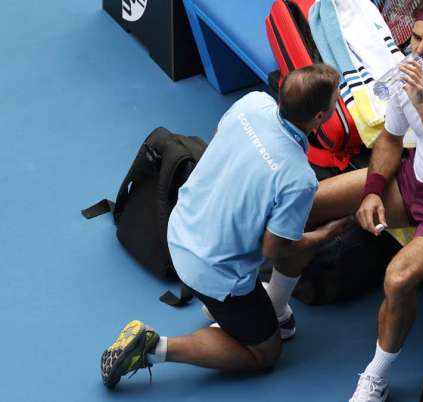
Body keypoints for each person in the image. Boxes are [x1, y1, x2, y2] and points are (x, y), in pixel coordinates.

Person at [273, 1, 423, 400]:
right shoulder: (405, 75)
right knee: (303, 203)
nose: (418, 50)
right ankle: (276, 309)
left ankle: (375, 379)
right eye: (415, 38)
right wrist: (372, 191)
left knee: (398, 279)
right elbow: (390, 140)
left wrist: (421, 103)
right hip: (414, 180)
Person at [99, 64, 353, 389]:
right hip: (213, 273)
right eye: (334, 102)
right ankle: (152, 347)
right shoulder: (298, 179)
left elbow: (221, 146)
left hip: (179, 229)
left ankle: (236, 311)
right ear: (320, 117)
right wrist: (329, 232)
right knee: (266, 354)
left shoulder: (252, 104)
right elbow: (275, 250)